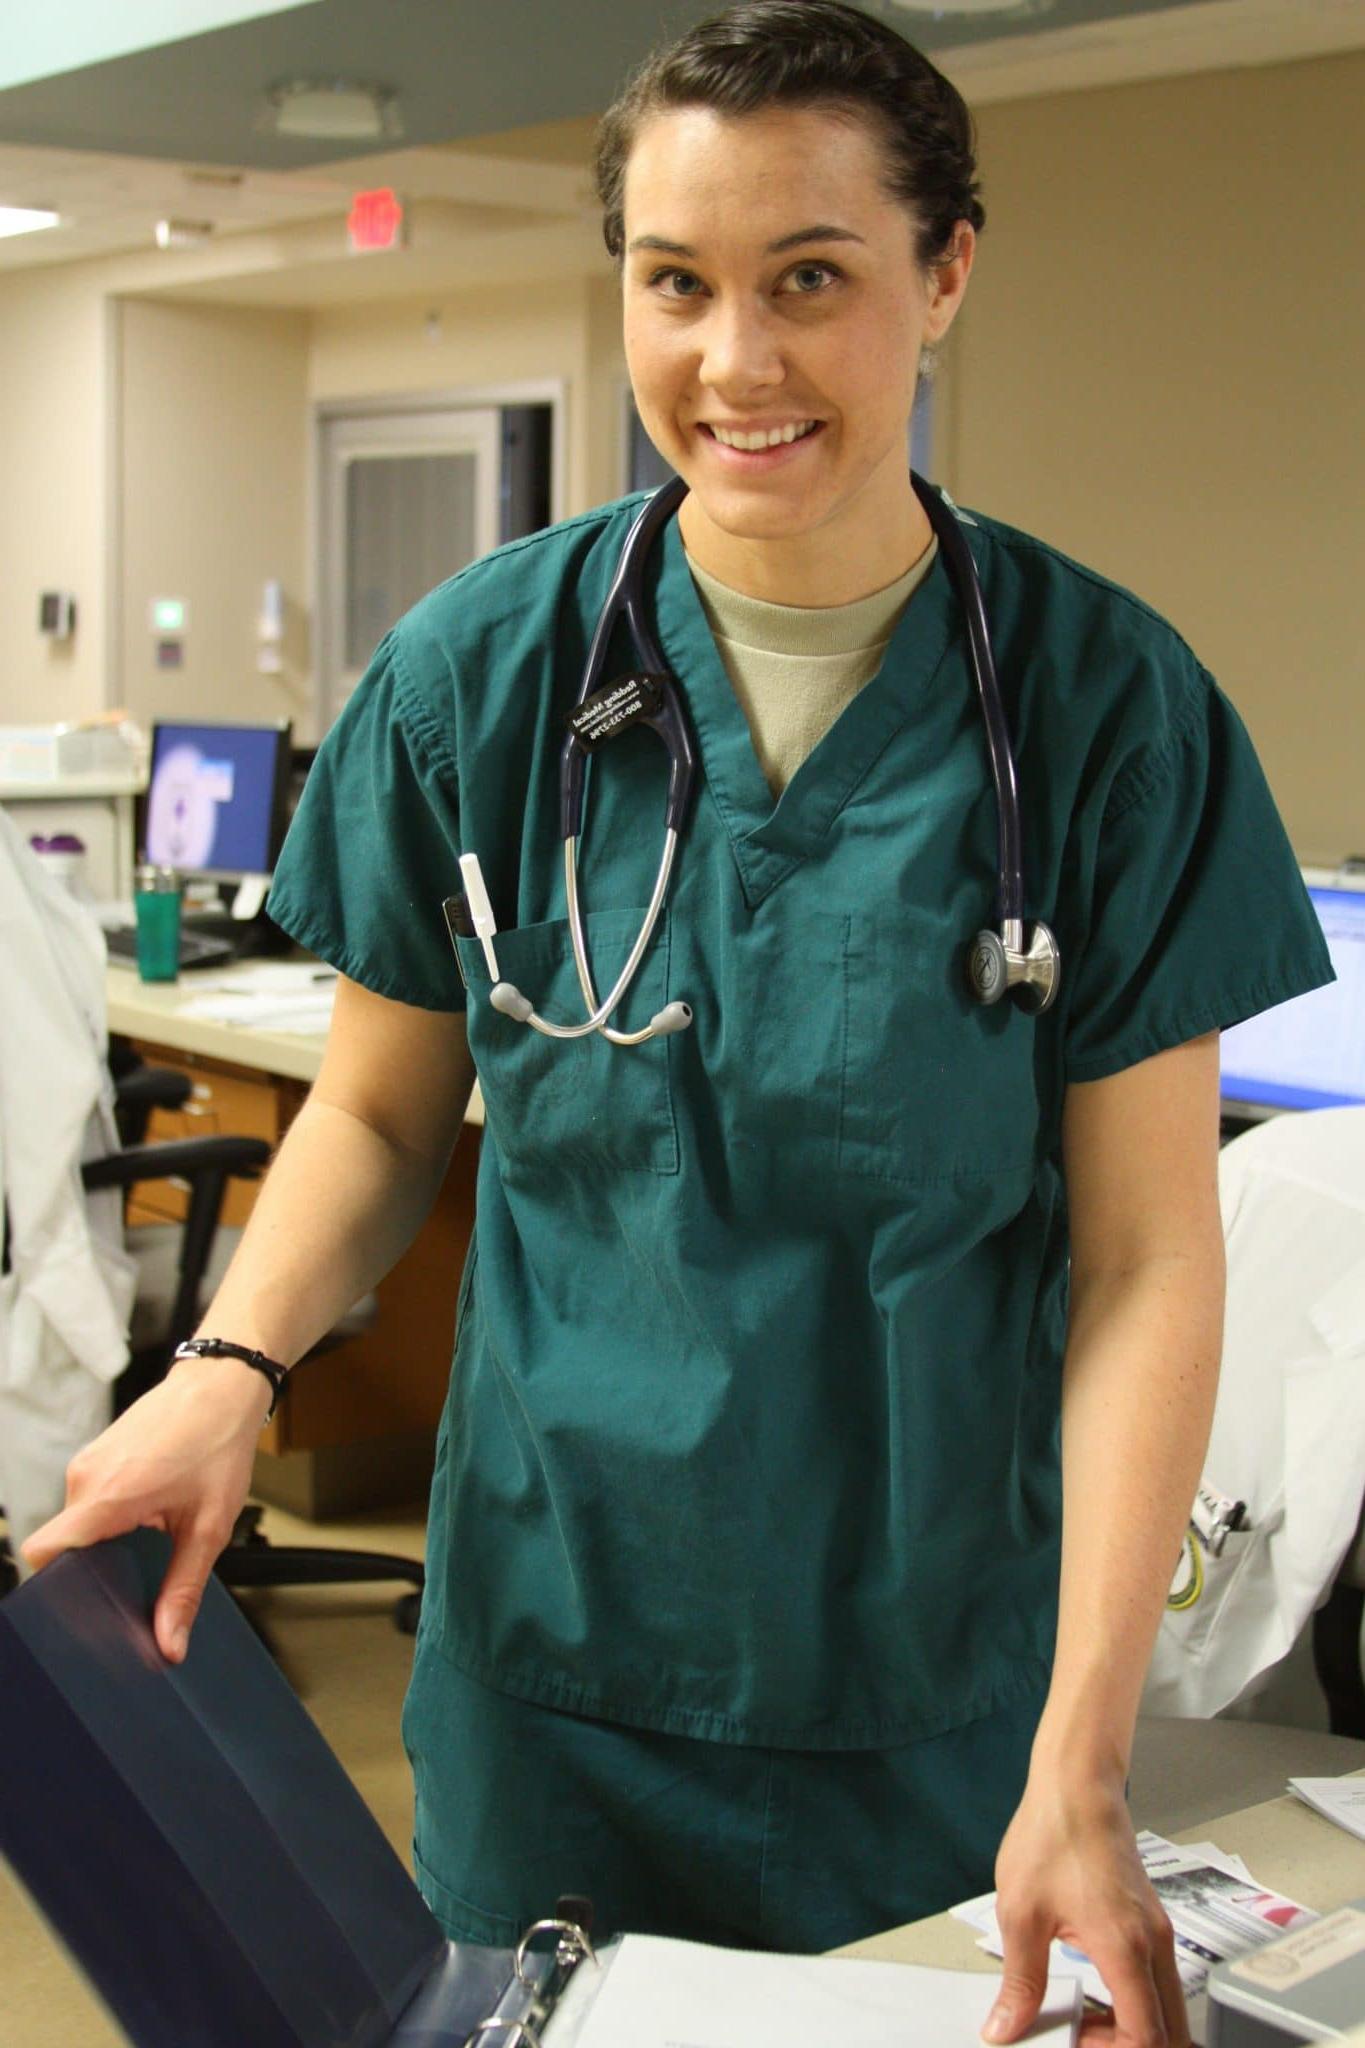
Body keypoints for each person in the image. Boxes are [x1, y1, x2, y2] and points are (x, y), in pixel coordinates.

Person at [25, 4, 1333, 2042]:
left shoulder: (1102, 712)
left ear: (944, 273)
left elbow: (1153, 1257)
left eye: (808, 279)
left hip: (931, 1696)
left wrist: (1082, 1742)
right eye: (673, 283)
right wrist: (227, 1364)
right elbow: (375, 1122)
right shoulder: (484, 672)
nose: (735, 361)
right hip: (554, 1672)